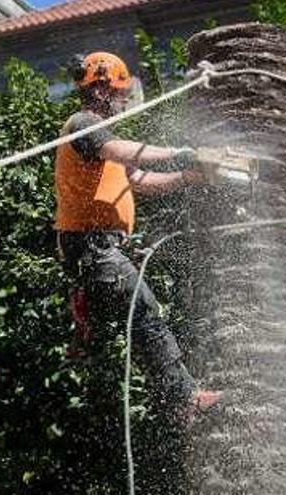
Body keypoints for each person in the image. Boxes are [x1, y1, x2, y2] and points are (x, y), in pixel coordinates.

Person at [55, 51, 220, 415]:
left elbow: (140, 180)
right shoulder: (84, 124)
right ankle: (184, 397)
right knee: (143, 309)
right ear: (102, 90)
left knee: (137, 314)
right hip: (93, 247)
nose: (124, 101)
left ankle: (172, 398)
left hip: (100, 249)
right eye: (121, 92)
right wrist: (183, 153)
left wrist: (188, 177)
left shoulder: (101, 144)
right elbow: (120, 149)